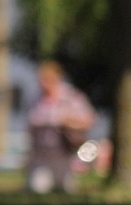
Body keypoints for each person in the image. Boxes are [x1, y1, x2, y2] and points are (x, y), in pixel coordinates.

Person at [26, 61, 96, 194]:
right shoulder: (35, 100)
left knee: (66, 189)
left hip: (64, 154)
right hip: (41, 154)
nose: (43, 83)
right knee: (37, 189)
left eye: (47, 79)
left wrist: (66, 121)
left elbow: (88, 120)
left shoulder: (71, 97)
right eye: (41, 79)